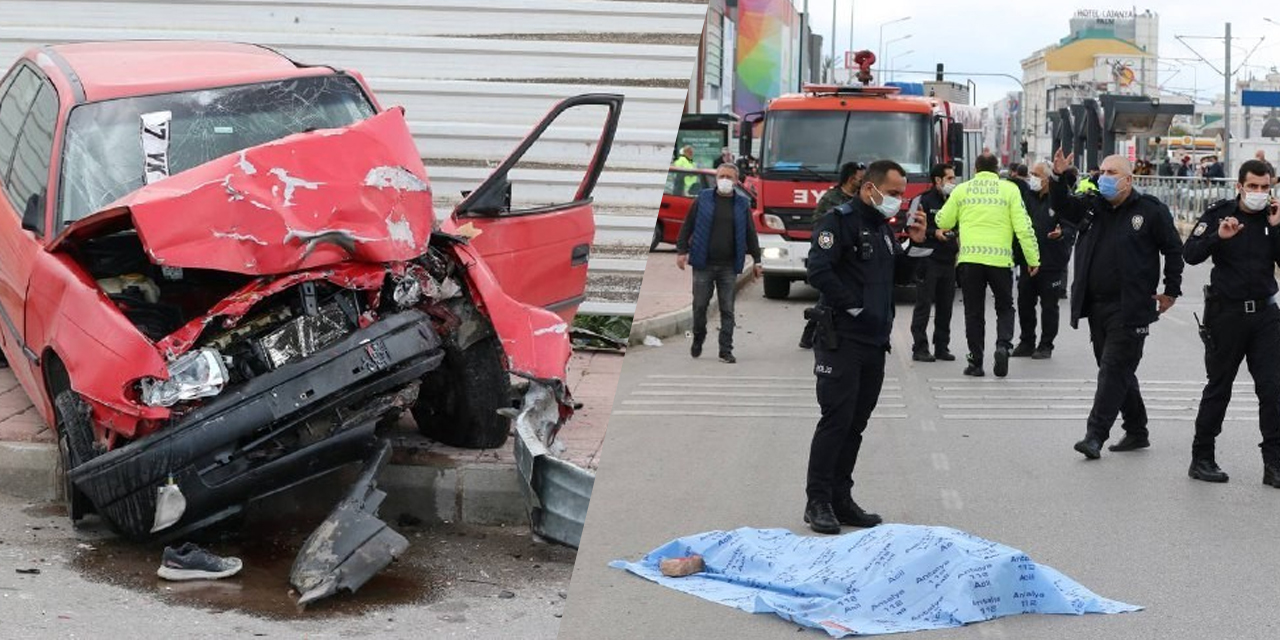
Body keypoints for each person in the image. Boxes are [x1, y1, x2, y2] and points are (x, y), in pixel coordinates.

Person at [802, 160, 927, 534]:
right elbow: (818, 270)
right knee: (836, 421)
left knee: (856, 424)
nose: (898, 201)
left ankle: (841, 498)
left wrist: (914, 246)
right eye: (892, 194)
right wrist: (854, 306)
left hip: (875, 341)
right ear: (869, 188)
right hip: (841, 338)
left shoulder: (883, 229)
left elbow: (896, 276)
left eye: (901, 194)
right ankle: (818, 501)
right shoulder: (838, 221)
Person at [1050, 149, 1184, 459]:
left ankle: (1095, 435)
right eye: (1102, 172)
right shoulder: (1092, 207)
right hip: (1097, 306)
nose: (1104, 178)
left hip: (1133, 306)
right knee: (1116, 370)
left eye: (1112, 173)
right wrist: (1059, 178)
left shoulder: (1150, 211)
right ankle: (1137, 429)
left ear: (1128, 179)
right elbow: (1063, 206)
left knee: (1113, 370)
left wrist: (1171, 291)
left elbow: (1174, 250)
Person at [1182, 159, 1280, 487]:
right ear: (1239, 186)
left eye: (1265, 187)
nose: (1258, 193)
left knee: (1273, 389)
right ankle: (1202, 457)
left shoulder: (1274, 216)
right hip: (1227, 314)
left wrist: (1278, 228)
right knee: (1219, 386)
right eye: (1252, 186)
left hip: (1266, 316)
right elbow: (1191, 253)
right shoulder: (1219, 214)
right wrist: (1218, 238)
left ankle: (1274, 464)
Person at [936, 153, 1040, 378]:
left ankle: (976, 362)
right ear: (997, 169)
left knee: (973, 312)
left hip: (970, 261)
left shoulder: (961, 190)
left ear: (975, 168)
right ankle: (1003, 345)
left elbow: (943, 221)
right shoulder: (1010, 190)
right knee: (1005, 306)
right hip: (1000, 261)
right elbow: (1024, 228)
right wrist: (1033, 259)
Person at [676, 163, 762, 364]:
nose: (725, 180)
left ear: (736, 181)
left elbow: (751, 234)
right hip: (703, 264)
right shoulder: (703, 199)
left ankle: (726, 349)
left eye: (729, 177)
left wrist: (757, 261)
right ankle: (698, 337)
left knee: (727, 309)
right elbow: (687, 225)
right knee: (699, 306)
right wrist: (681, 251)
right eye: (722, 175)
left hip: (728, 266)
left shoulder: (742, 204)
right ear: (716, 178)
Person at [1012, 162, 1076, 359]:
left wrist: (1061, 233)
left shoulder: (1061, 200)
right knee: (1024, 302)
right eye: (1031, 173)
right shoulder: (1026, 198)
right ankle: (1026, 341)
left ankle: (1046, 344)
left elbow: (1071, 227)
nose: (1032, 178)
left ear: (1047, 179)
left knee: (1049, 306)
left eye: (1036, 174)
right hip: (1027, 262)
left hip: (1051, 261)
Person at [799, 162, 866, 349]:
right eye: (860, 177)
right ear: (851, 178)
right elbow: (819, 225)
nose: (863, 180)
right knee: (828, 295)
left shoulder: (861, 199)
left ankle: (811, 333)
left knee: (828, 297)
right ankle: (810, 333)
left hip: (852, 257)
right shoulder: (831, 198)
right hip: (833, 256)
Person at [908, 163, 960, 362]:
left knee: (945, 307)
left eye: (954, 179)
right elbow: (910, 227)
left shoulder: (955, 201)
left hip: (948, 260)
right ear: (937, 180)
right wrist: (933, 232)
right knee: (923, 306)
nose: (953, 183)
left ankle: (942, 347)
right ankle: (920, 348)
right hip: (927, 259)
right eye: (950, 179)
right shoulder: (920, 200)